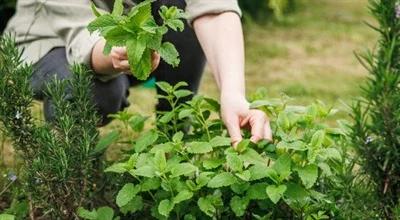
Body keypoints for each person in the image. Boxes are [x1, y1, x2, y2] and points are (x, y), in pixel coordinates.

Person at [4, 0, 272, 145]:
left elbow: (212, 9)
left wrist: (234, 95)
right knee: (96, 92)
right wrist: (119, 54)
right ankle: (70, 171)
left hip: (130, 43)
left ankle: (174, 138)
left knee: (180, 17)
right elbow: (84, 35)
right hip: (47, 44)